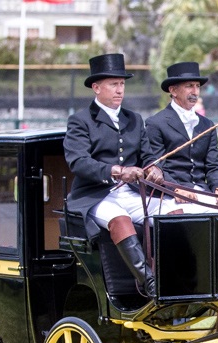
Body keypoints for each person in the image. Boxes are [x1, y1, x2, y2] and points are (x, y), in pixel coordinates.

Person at [63, 53, 165, 297]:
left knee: (172, 215)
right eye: (113, 84)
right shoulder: (80, 121)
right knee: (119, 219)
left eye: (122, 84)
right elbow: (78, 162)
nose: (120, 90)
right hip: (95, 196)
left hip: (131, 194)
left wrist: (154, 168)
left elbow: (147, 155)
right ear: (96, 88)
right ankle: (148, 282)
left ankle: (177, 276)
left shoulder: (134, 119)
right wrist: (117, 172)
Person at [145, 61, 218, 215]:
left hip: (203, 192)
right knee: (184, 220)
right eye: (189, 86)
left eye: (197, 86)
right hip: (170, 195)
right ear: (173, 90)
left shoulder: (207, 125)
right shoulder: (156, 123)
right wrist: (176, 189)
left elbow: (213, 165)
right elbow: (156, 166)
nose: (195, 92)